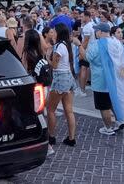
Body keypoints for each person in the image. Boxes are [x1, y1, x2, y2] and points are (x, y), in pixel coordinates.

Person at [45, 23, 77, 151]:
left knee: (50, 109)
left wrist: (47, 57)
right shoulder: (67, 45)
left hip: (60, 79)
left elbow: (55, 65)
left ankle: (51, 137)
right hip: (69, 78)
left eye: (53, 31)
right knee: (69, 110)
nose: (52, 33)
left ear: (58, 33)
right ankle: (71, 138)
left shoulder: (58, 47)